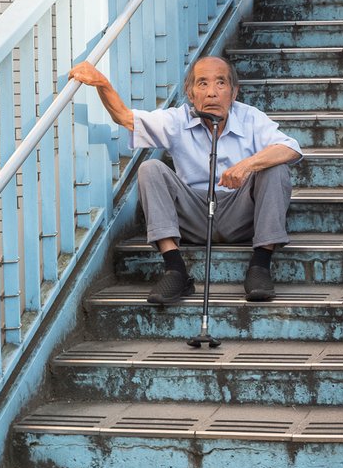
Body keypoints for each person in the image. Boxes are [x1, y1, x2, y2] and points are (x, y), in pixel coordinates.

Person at [69, 56, 302, 305]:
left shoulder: (251, 117)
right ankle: (176, 269)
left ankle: (260, 266)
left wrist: (247, 165)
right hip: (194, 216)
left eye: (220, 83)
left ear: (234, 92)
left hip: (241, 214)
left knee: (275, 168)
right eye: (202, 84)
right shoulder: (177, 120)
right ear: (191, 94)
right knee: (150, 168)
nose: (212, 93)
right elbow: (126, 118)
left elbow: (291, 149)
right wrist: (102, 83)